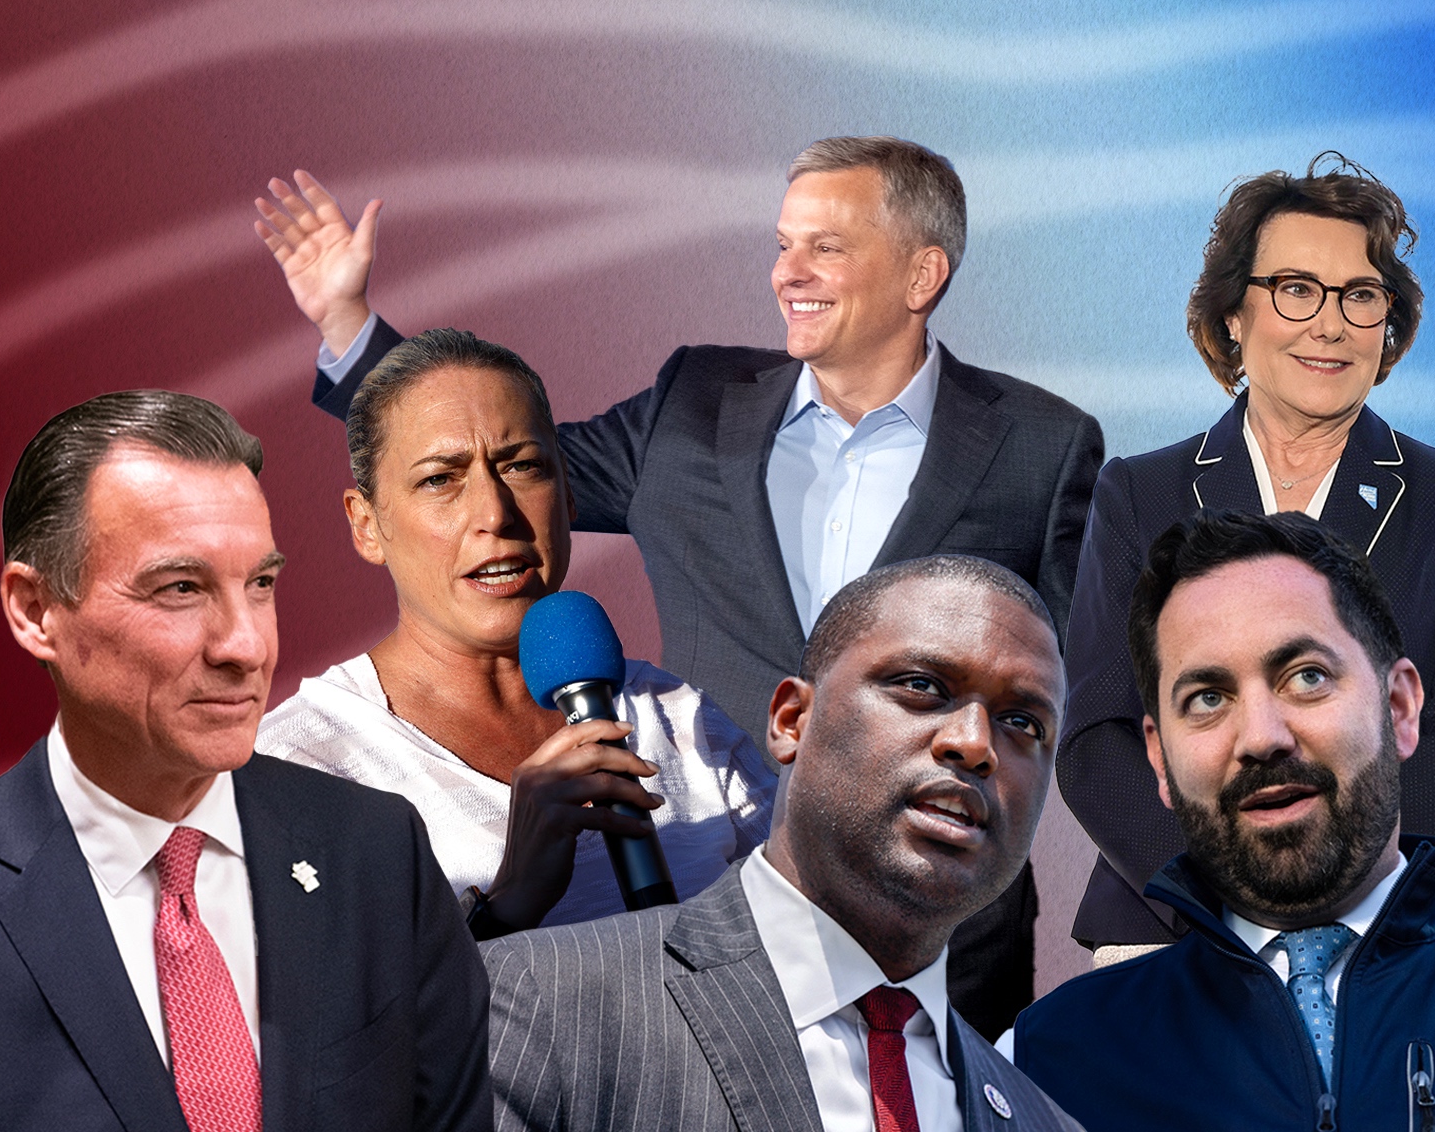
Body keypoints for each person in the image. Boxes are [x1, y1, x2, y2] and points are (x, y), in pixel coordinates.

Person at [252, 136, 1101, 1035]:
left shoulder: (1042, 445)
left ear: (922, 273)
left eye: (825, 247)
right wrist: (353, 332)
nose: (787, 273)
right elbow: (487, 458)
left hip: (940, 938)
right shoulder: (695, 404)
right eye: (783, 244)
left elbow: (1067, 691)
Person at [1016, 512, 1435, 1131]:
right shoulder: (1040, 1066)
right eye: (1205, 697)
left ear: (1402, 707)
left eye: (1307, 677)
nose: (1261, 736)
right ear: (1158, 759)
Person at [0, 390, 489, 1132]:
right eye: (181, 588)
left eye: (261, 585)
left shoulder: (378, 855)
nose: (245, 646)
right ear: (34, 610)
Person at [1057, 153, 1435, 954]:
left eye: (1361, 296)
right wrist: (1224, 897)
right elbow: (1096, 736)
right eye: (1296, 290)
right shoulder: (1137, 494)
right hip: (1168, 924)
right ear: (1233, 315)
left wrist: (1346, 890)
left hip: (1376, 927)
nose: (1330, 323)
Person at [478, 555, 1082, 1132]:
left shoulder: (1040, 1119)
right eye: (923, 685)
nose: (975, 742)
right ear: (791, 720)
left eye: (1023, 722)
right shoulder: (543, 1002)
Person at [256, 329, 773, 935]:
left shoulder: (678, 717)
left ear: (569, 495)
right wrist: (510, 899)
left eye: (524, 466)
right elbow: (327, 1020)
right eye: (440, 479)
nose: (495, 514)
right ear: (367, 525)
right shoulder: (295, 769)